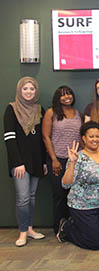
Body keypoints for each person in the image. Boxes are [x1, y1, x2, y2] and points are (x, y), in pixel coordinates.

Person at [57, 121, 99, 250]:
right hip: (81, 206)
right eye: (91, 136)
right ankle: (66, 227)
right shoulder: (78, 157)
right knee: (94, 244)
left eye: (97, 136)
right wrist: (71, 163)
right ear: (84, 138)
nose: (95, 139)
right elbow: (65, 184)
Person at [3, 76, 47, 247]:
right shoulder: (11, 109)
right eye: (25, 89)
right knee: (22, 198)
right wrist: (17, 163)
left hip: (36, 161)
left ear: (36, 91)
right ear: (19, 90)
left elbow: (41, 139)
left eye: (32, 89)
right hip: (20, 163)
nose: (29, 92)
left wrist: (43, 162)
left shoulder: (39, 109)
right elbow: (9, 138)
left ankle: (29, 228)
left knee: (32, 196)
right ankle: (22, 232)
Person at [42, 86, 82, 234]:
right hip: (57, 159)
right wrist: (54, 159)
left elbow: (81, 138)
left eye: (69, 93)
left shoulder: (78, 114)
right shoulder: (51, 112)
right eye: (63, 95)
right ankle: (59, 227)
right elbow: (46, 136)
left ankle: (72, 227)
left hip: (75, 160)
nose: (67, 97)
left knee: (74, 195)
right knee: (59, 195)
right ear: (57, 98)